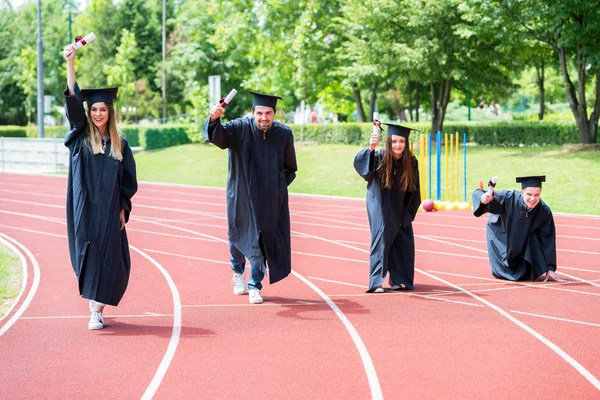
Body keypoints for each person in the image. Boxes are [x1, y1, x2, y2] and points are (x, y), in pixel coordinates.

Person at [63, 42, 138, 330]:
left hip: (108, 211)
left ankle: (99, 307)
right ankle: (93, 306)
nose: (97, 114)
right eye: (93, 109)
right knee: (88, 252)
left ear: (110, 112)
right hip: (83, 206)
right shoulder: (81, 135)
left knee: (108, 255)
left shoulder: (121, 145)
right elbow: (72, 99)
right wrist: (71, 63)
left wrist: (123, 207)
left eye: (102, 109)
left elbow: (128, 181)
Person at [203, 91, 297, 304]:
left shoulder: (283, 134)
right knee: (237, 233)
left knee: (262, 238)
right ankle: (237, 272)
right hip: (241, 193)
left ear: (274, 114)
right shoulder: (239, 128)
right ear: (252, 113)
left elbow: (289, 167)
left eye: (268, 113)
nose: (264, 117)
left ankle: (255, 284)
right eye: (260, 113)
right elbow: (218, 137)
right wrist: (214, 119)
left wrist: (277, 189)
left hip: (269, 196)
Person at [354, 123, 421, 293]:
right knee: (382, 236)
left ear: (406, 143)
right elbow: (365, 173)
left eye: (402, 141)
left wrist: (408, 215)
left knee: (403, 238)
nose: (398, 145)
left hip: (400, 203)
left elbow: (414, 190)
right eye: (394, 141)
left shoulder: (411, 162)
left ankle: (398, 279)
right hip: (379, 202)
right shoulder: (379, 157)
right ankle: (376, 281)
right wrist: (370, 148)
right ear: (388, 142)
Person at [472, 176, 565, 282]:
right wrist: (483, 199)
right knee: (501, 273)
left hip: (522, 243)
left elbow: (547, 240)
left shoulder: (544, 211)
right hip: (501, 238)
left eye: (536, 195)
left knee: (524, 274)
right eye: (529, 194)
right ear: (522, 193)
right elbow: (482, 194)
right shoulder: (508, 198)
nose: (533, 199)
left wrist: (550, 268)